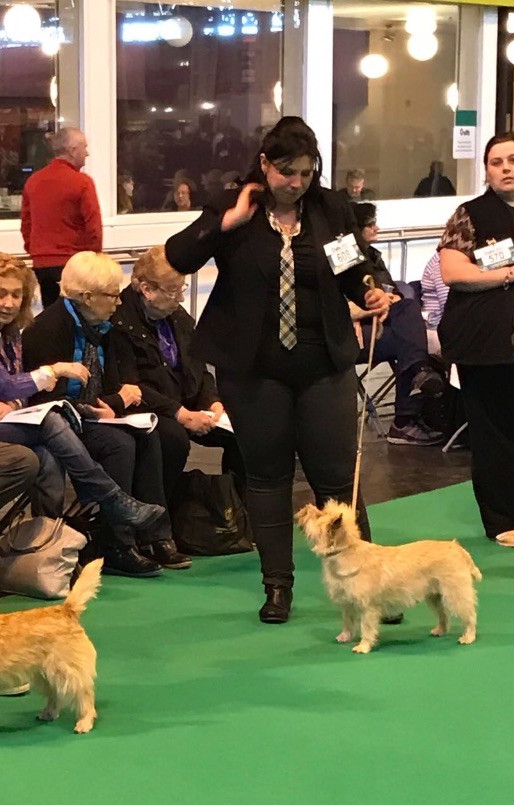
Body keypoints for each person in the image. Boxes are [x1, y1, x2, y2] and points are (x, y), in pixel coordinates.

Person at [165, 117, 391, 623]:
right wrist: (226, 223)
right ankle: (277, 587)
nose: (298, 183)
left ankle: (369, 586)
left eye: (308, 173)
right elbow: (177, 257)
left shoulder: (330, 208)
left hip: (322, 363)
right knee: (268, 478)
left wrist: (370, 289)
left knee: (335, 478)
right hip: (253, 369)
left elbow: (352, 267)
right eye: (287, 172)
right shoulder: (234, 206)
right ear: (264, 165)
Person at [0, 251, 167, 570]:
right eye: (1, 294)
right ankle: (113, 502)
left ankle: (51, 551)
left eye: (16, 295)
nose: (9, 303)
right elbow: (3, 383)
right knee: (52, 421)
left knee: (50, 457)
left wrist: (13, 401)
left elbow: (15, 391)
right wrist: (53, 372)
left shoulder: (11, 330)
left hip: (7, 419)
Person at [22, 251, 188, 574]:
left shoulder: (102, 326)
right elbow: (47, 399)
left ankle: (153, 534)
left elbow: (112, 385)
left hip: (89, 414)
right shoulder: (48, 329)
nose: (117, 302)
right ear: (87, 297)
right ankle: (116, 543)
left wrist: (112, 405)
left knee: (147, 434)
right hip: (58, 420)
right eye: (112, 295)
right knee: (119, 443)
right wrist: (105, 408)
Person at [109, 245, 246, 510]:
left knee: (244, 432)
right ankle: (161, 517)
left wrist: (213, 402)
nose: (181, 299)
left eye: (182, 289)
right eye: (174, 292)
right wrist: (181, 414)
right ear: (147, 290)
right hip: (150, 408)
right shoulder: (120, 321)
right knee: (173, 438)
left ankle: (237, 511)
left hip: (187, 402)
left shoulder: (176, 315)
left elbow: (200, 369)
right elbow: (132, 384)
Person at [437, 131, 514, 548]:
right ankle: (503, 518)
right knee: (494, 434)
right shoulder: (470, 215)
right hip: (486, 344)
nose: (505, 168)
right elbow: (453, 272)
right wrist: (509, 274)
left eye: (513, 160)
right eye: (496, 162)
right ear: (486, 169)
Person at [352, 203, 445, 445]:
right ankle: (405, 418)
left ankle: (418, 374)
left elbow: (394, 293)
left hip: (383, 326)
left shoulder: (374, 257)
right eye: (370, 224)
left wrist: (389, 300)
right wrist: (377, 305)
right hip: (354, 338)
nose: (377, 227)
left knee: (408, 325)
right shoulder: (341, 263)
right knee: (411, 342)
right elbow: (341, 308)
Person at [20, 128, 103, 308]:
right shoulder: (82, 182)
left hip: (42, 263)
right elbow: (93, 227)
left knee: (52, 315)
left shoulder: (33, 181)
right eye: (84, 148)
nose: (86, 153)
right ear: (73, 150)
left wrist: (35, 249)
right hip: (74, 263)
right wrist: (96, 261)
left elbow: (26, 225)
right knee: (79, 319)